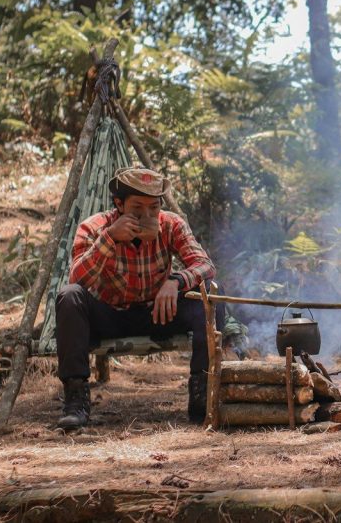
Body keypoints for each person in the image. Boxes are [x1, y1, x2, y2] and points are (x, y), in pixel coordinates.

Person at [55, 165, 219, 429]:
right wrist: (109, 239)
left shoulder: (171, 224)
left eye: (154, 208)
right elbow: (78, 278)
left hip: (158, 312)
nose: (148, 216)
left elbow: (205, 265)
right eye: (137, 209)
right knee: (70, 296)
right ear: (119, 205)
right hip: (110, 315)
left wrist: (175, 281)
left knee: (210, 294)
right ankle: (76, 401)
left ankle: (202, 394)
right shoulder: (94, 227)